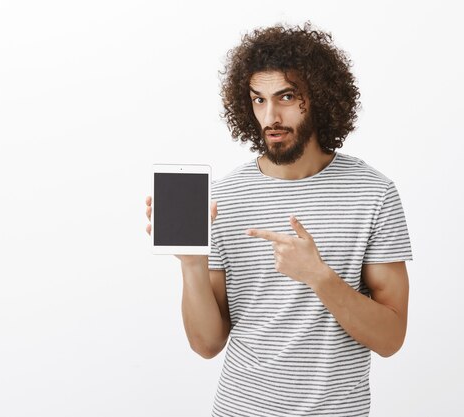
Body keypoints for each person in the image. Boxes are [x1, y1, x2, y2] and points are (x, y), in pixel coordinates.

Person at [145, 21, 413, 417]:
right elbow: (206, 344)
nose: (270, 116)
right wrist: (192, 264)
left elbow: (390, 339)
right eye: (258, 99)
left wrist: (319, 276)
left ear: (320, 98)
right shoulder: (223, 198)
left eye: (286, 97)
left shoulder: (374, 194)